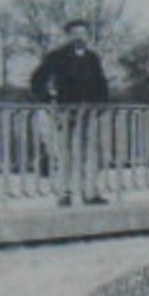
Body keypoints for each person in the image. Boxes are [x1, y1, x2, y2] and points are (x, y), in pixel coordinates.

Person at [29, 18, 110, 205]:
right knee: (64, 153)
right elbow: (37, 80)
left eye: (83, 33)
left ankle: (90, 193)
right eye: (75, 33)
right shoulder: (57, 56)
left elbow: (101, 83)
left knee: (90, 153)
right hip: (66, 111)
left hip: (89, 112)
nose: (79, 37)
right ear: (68, 35)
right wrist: (48, 100)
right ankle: (64, 194)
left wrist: (102, 105)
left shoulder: (92, 58)